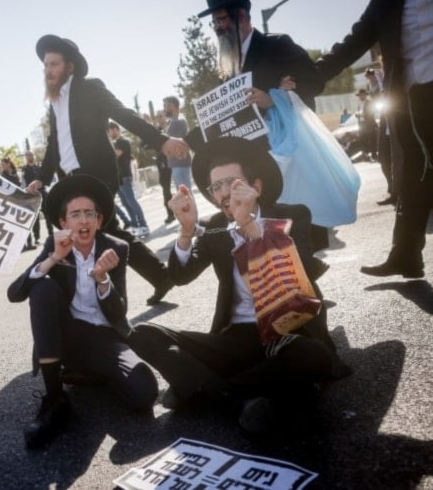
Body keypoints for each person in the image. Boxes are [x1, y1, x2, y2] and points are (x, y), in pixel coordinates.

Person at [129, 137, 350, 433]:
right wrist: (184, 231)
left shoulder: (293, 214)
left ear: (255, 187)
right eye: (216, 187)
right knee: (143, 334)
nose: (223, 194)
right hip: (237, 337)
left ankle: (203, 387)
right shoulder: (213, 227)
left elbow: (308, 272)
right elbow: (180, 276)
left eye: (231, 183)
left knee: (313, 357)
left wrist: (251, 227)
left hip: (287, 332)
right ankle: (237, 399)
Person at [27, 35, 190, 306]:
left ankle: (111, 301)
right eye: (45, 65)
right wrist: (41, 178)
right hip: (72, 180)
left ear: (70, 66)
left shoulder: (89, 88)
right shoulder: (54, 103)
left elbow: (123, 113)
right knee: (108, 231)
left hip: (95, 175)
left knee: (97, 233)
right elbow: (55, 144)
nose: (48, 70)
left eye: (54, 63)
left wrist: (161, 141)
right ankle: (157, 278)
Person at [7, 175, 158, 448]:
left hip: (104, 336)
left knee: (144, 393)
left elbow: (119, 311)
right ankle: (55, 399)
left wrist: (102, 278)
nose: (83, 220)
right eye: (75, 214)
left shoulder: (117, 247)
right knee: (42, 289)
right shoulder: (55, 246)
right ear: (64, 223)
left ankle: (89, 370)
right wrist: (53, 258)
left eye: (90, 214)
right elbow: (15, 293)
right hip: (66, 333)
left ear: (99, 221)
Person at [315, 0, 432, 278]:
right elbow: (351, 45)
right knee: (411, 179)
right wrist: (309, 75)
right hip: (409, 103)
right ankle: (406, 257)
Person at [194, 0, 330, 252]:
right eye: (215, 23)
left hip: (288, 153)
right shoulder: (227, 63)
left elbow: (313, 81)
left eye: (221, 20)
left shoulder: (276, 44)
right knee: (268, 226)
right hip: (254, 158)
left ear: (241, 15)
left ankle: (308, 278)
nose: (217, 27)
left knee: (297, 225)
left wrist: (273, 98)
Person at [107, 122, 149, 237]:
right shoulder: (114, 143)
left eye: (109, 130)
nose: (109, 133)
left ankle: (143, 225)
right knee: (126, 203)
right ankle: (135, 226)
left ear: (115, 129)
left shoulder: (123, 142)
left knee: (131, 201)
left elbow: (115, 154)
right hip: (117, 178)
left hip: (125, 176)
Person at [365, 67, 397, 205]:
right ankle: (393, 191)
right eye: (368, 77)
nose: (369, 79)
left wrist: (379, 79)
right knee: (383, 159)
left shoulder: (385, 80)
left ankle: (399, 192)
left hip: (396, 121)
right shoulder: (373, 86)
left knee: (397, 160)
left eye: (370, 76)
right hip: (385, 122)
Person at [20, 151, 53, 248]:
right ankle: (37, 238)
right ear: (26, 157)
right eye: (28, 155)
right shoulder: (24, 170)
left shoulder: (41, 168)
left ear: (34, 156)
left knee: (48, 215)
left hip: (43, 193)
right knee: (35, 218)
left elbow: (47, 180)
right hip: (32, 196)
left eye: (31, 155)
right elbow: (23, 183)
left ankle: (51, 234)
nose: (30, 156)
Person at [162, 96, 192, 193]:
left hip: (180, 164)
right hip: (178, 164)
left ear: (172, 106)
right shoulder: (174, 121)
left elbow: (173, 146)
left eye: (165, 106)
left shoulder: (178, 122)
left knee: (185, 195)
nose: (164, 108)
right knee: (185, 194)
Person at [356, 88, 379, 161]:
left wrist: (362, 115)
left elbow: (371, 113)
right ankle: (365, 156)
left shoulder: (369, 103)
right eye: (360, 95)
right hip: (362, 125)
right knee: (363, 140)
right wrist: (357, 115)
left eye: (362, 95)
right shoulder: (359, 105)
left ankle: (374, 155)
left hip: (369, 124)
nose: (361, 97)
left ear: (365, 95)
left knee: (372, 140)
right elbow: (359, 113)